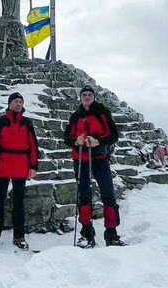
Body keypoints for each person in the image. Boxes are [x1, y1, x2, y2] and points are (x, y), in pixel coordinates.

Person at [64, 85, 125, 248]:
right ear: (80, 97)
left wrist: (98, 141)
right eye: (84, 94)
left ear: (93, 96)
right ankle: (86, 232)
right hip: (80, 158)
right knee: (84, 194)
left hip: (99, 156)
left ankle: (111, 233)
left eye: (89, 94)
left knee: (108, 193)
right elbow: (67, 137)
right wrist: (76, 141)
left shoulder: (102, 112)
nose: (86, 97)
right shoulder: (76, 116)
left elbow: (113, 135)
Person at [0, 92, 39, 250]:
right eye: (15, 101)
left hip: (21, 166)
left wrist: (33, 166)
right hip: (2, 165)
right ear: (9, 104)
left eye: (21, 101)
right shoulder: (1, 121)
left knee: (19, 203)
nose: (18, 104)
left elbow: (33, 146)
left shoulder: (27, 123)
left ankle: (19, 236)